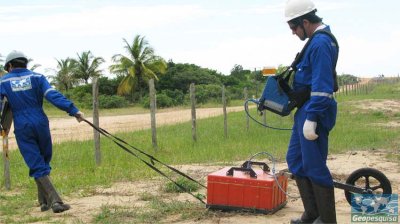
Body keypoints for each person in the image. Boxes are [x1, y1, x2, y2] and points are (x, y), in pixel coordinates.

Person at [0, 50, 85, 213]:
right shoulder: (37, 77)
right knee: (43, 160)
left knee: (36, 162)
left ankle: (52, 202)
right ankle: (47, 202)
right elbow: (53, 95)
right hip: (40, 121)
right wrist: (73, 110)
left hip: (22, 124)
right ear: (25, 63)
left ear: (10, 66)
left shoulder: (4, 82)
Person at [284, 0, 339, 223]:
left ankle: (326, 219)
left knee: (315, 166)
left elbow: (323, 86)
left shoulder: (321, 44)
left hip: (315, 112)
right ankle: (313, 213)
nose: (293, 33)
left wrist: (313, 118)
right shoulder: (314, 43)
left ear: (305, 22)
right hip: (304, 111)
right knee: (295, 159)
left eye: (294, 28)